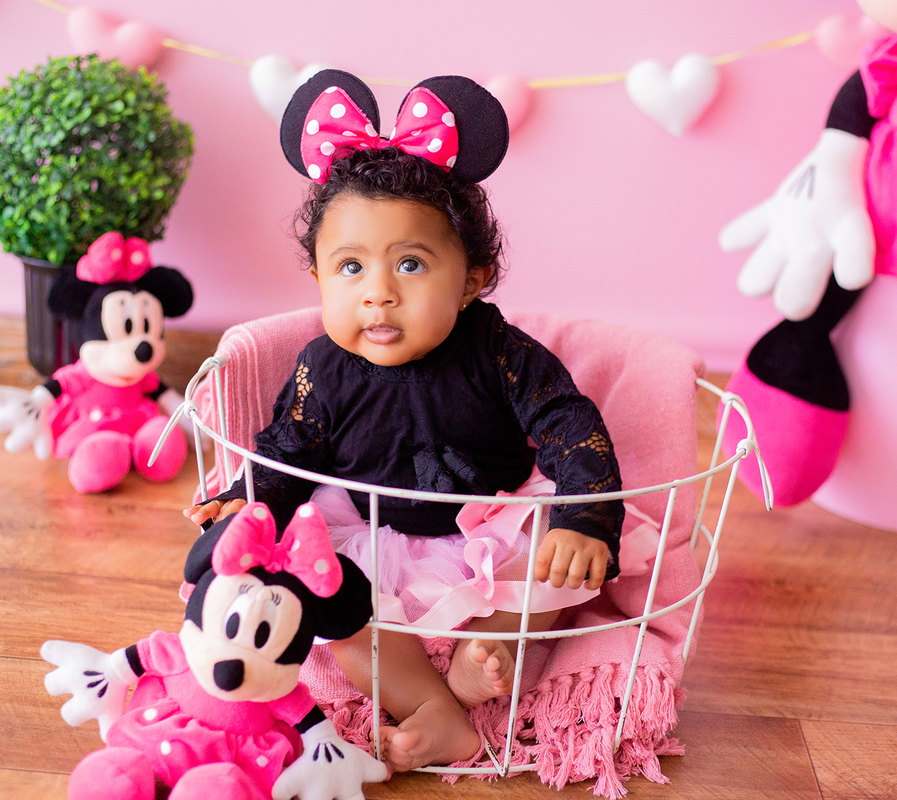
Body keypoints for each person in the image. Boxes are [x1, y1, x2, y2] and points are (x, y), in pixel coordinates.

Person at [184, 70, 625, 772]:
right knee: (328, 605)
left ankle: (490, 652)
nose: (378, 295)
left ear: (473, 278)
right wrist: (251, 501)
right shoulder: (320, 370)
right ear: (320, 281)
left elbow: (570, 423)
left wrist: (583, 522)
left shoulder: (498, 352)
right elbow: (285, 451)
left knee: (562, 573)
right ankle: (434, 708)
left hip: (486, 519)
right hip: (372, 529)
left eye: (411, 264)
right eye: (351, 268)